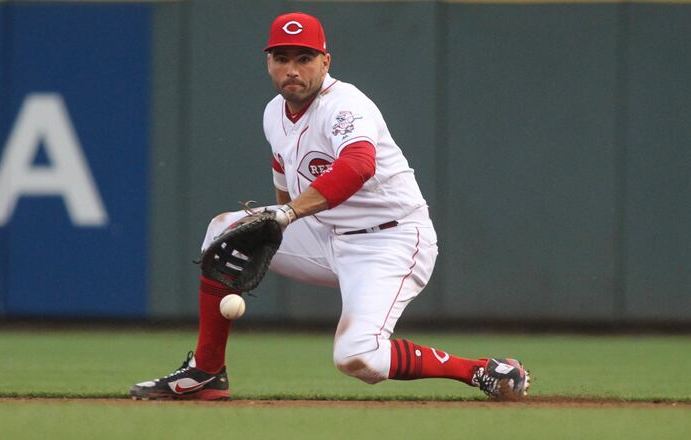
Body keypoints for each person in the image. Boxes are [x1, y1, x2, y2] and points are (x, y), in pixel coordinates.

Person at [130, 12, 529, 401]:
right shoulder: (274, 112)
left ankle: (478, 370)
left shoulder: (344, 106)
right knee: (223, 230)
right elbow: (284, 179)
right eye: (282, 58)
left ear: (325, 61)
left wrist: (286, 215)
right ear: (268, 62)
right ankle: (207, 371)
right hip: (327, 235)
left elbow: (358, 165)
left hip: (391, 240)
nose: (292, 69)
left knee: (358, 357)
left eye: (304, 58)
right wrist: (277, 222)